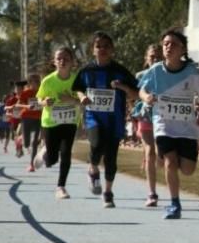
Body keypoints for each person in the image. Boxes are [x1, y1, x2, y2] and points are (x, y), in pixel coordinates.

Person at [138, 29, 199, 219]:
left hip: (186, 127)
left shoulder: (192, 72)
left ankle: (169, 160)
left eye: (173, 44)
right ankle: (175, 204)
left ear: (182, 49)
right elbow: (142, 90)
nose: (168, 47)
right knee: (170, 162)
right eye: (165, 44)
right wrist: (147, 98)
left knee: (187, 170)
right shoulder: (155, 70)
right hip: (163, 124)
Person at [72, 32, 140, 209]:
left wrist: (122, 87)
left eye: (106, 46)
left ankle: (108, 192)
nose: (102, 49)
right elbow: (77, 89)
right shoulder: (87, 71)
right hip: (93, 116)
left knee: (111, 158)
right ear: (93, 50)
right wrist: (81, 97)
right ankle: (93, 170)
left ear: (112, 50)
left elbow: (136, 94)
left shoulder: (120, 71)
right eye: (98, 46)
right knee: (96, 145)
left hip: (114, 120)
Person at [36, 47, 81, 199]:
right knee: (52, 159)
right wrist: (44, 102)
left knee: (66, 152)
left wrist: (72, 100)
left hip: (70, 121)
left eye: (66, 59)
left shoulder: (77, 80)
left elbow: (83, 101)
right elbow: (39, 99)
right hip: (50, 122)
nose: (62, 61)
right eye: (59, 59)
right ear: (54, 62)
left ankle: (61, 187)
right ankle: (45, 152)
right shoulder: (48, 81)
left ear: (72, 62)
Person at [134, 44, 164, 206]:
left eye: (158, 56)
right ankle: (152, 193)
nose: (155, 59)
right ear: (147, 58)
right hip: (146, 117)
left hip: (164, 119)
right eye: (152, 56)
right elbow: (135, 95)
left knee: (161, 155)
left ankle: (149, 161)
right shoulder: (140, 76)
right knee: (150, 152)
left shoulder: (169, 75)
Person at [15, 73, 43, 172]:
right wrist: (27, 106)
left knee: (35, 142)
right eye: (32, 82)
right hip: (26, 118)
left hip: (38, 118)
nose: (35, 84)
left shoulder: (42, 91)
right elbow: (18, 105)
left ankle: (32, 164)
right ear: (30, 83)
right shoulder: (26, 93)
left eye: (36, 82)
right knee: (27, 144)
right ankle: (20, 141)